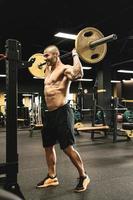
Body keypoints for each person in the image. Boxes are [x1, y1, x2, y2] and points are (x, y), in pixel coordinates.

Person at [36, 45, 90, 192]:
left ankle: (83, 176)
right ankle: (52, 177)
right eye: (44, 55)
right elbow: (31, 63)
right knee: (48, 146)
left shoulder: (65, 68)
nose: (44, 58)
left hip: (62, 111)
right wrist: (10, 59)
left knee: (67, 148)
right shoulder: (47, 69)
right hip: (49, 113)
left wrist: (75, 54)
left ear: (56, 54)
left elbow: (78, 74)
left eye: (47, 55)